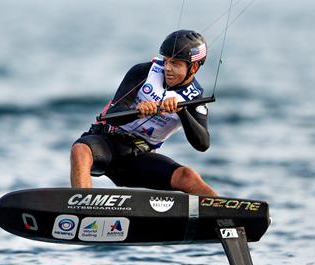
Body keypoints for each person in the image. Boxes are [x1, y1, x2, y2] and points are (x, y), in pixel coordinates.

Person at [70, 30, 217, 196]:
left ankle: (225, 215)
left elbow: (202, 144)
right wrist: (138, 112)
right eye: (166, 61)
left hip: (137, 158)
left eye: (175, 64)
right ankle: (81, 205)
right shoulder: (143, 72)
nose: (167, 68)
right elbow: (114, 113)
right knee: (80, 150)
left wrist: (182, 112)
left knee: (187, 176)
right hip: (107, 143)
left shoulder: (195, 98)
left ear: (194, 68)